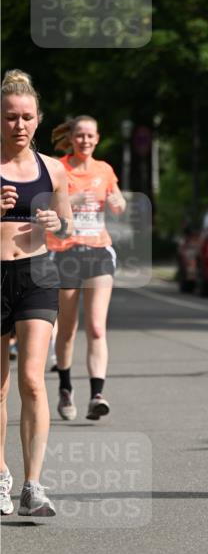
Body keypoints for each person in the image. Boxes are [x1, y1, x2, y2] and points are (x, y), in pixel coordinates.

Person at [0, 69, 72, 516]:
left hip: (37, 276)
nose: (19, 125)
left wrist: (53, 223)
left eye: (26, 117)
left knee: (30, 379)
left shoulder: (54, 169)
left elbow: (65, 224)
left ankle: (32, 484)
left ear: (38, 119)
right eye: (10, 117)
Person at [47, 115, 126, 421]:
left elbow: (116, 199)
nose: (85, 141)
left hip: (97, 251)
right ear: (72, 137)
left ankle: (97, 395)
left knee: (95, 327)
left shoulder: (104, 169)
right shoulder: (58, 168)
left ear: (97, 138)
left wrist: (118, 201)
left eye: (90, 136)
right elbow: (46, 205)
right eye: (80, 135)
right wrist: (72, 198)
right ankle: (66, 387)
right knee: (67, 331)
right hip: (65, 253)